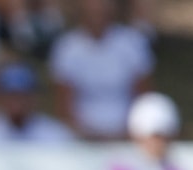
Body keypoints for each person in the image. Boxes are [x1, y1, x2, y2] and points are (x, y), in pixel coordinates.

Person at [48, 0, 154, 141]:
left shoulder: (132, 43)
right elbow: (64, 106)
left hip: (127, 135)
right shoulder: (67, 47)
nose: (97, 8)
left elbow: (143, 99)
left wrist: (130, 133)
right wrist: (84, 134)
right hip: (81, 137)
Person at [0, 61, 76, 143]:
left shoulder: (55, 133)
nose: (17, 102)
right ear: (0, 98)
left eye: (23, 95)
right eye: (11, 95)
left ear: (35, 98)